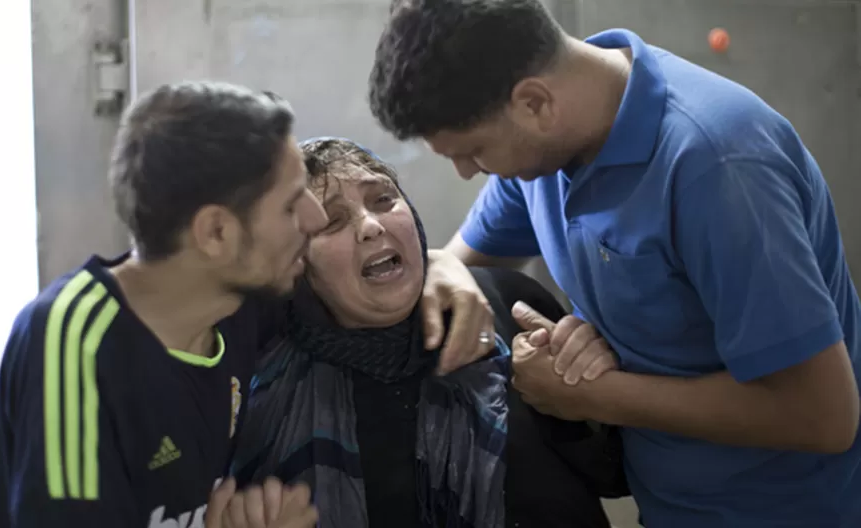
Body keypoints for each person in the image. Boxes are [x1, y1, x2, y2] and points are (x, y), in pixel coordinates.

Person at [367, 1, 861, 527]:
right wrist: (442, 267)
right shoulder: (543, 155)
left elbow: (823, 416)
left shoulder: (717, 165)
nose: (468, 173)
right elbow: (464, 258)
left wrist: (596, 396)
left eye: (473, 150)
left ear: (534, 103)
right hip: (668, 506)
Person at [0, 82, 495, 528]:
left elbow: (367, 277)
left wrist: (443, 266)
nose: (313, 221)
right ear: (217, 233)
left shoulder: (242, 299)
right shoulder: (76, 343)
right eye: (294, 204)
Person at [230, 137, 629, 528]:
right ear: (296, 263)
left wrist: (590, 384)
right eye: (331, 221)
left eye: (384, 199)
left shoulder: (506, 305)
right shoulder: (261, 381)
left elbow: (617, 475)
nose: (371, 225)